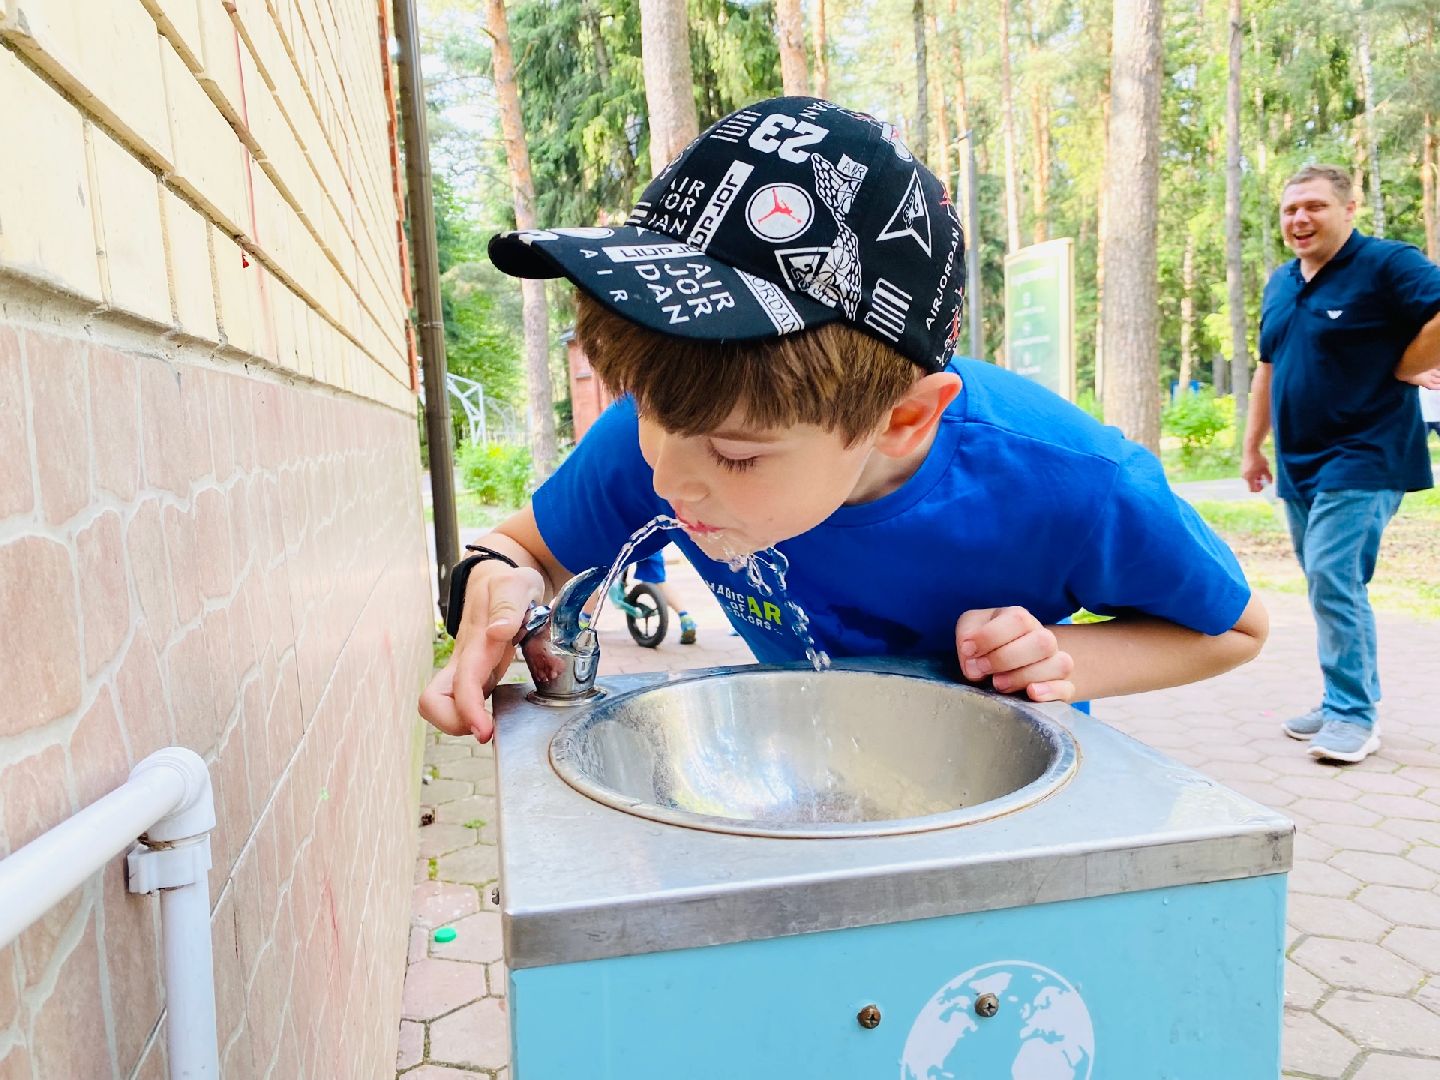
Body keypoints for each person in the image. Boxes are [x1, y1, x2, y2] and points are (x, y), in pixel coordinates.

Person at [420, 96, 1268, 743]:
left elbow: (1234, 629)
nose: (669, 480)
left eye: (738, 456)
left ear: (902, 420)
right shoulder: (674, 435)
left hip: (1001, 786)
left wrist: (1064, 655)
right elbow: (518, 544)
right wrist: (497, 585)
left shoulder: (1067, 482)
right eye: (643, 415)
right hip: (815, 754)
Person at [1241, 164, 1440, 764]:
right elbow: (1268, 369)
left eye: (1314, 207)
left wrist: (1409, 364)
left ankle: (1355, 715)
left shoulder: (1386, 264)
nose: (1299, 219)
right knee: (1330, 583)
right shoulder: (1281, 282)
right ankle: (1336, 701)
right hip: (1300, 460)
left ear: (1349, 209)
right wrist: (1253, 447)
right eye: (1289, 209)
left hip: (1367, 453)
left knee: (1332, 575)